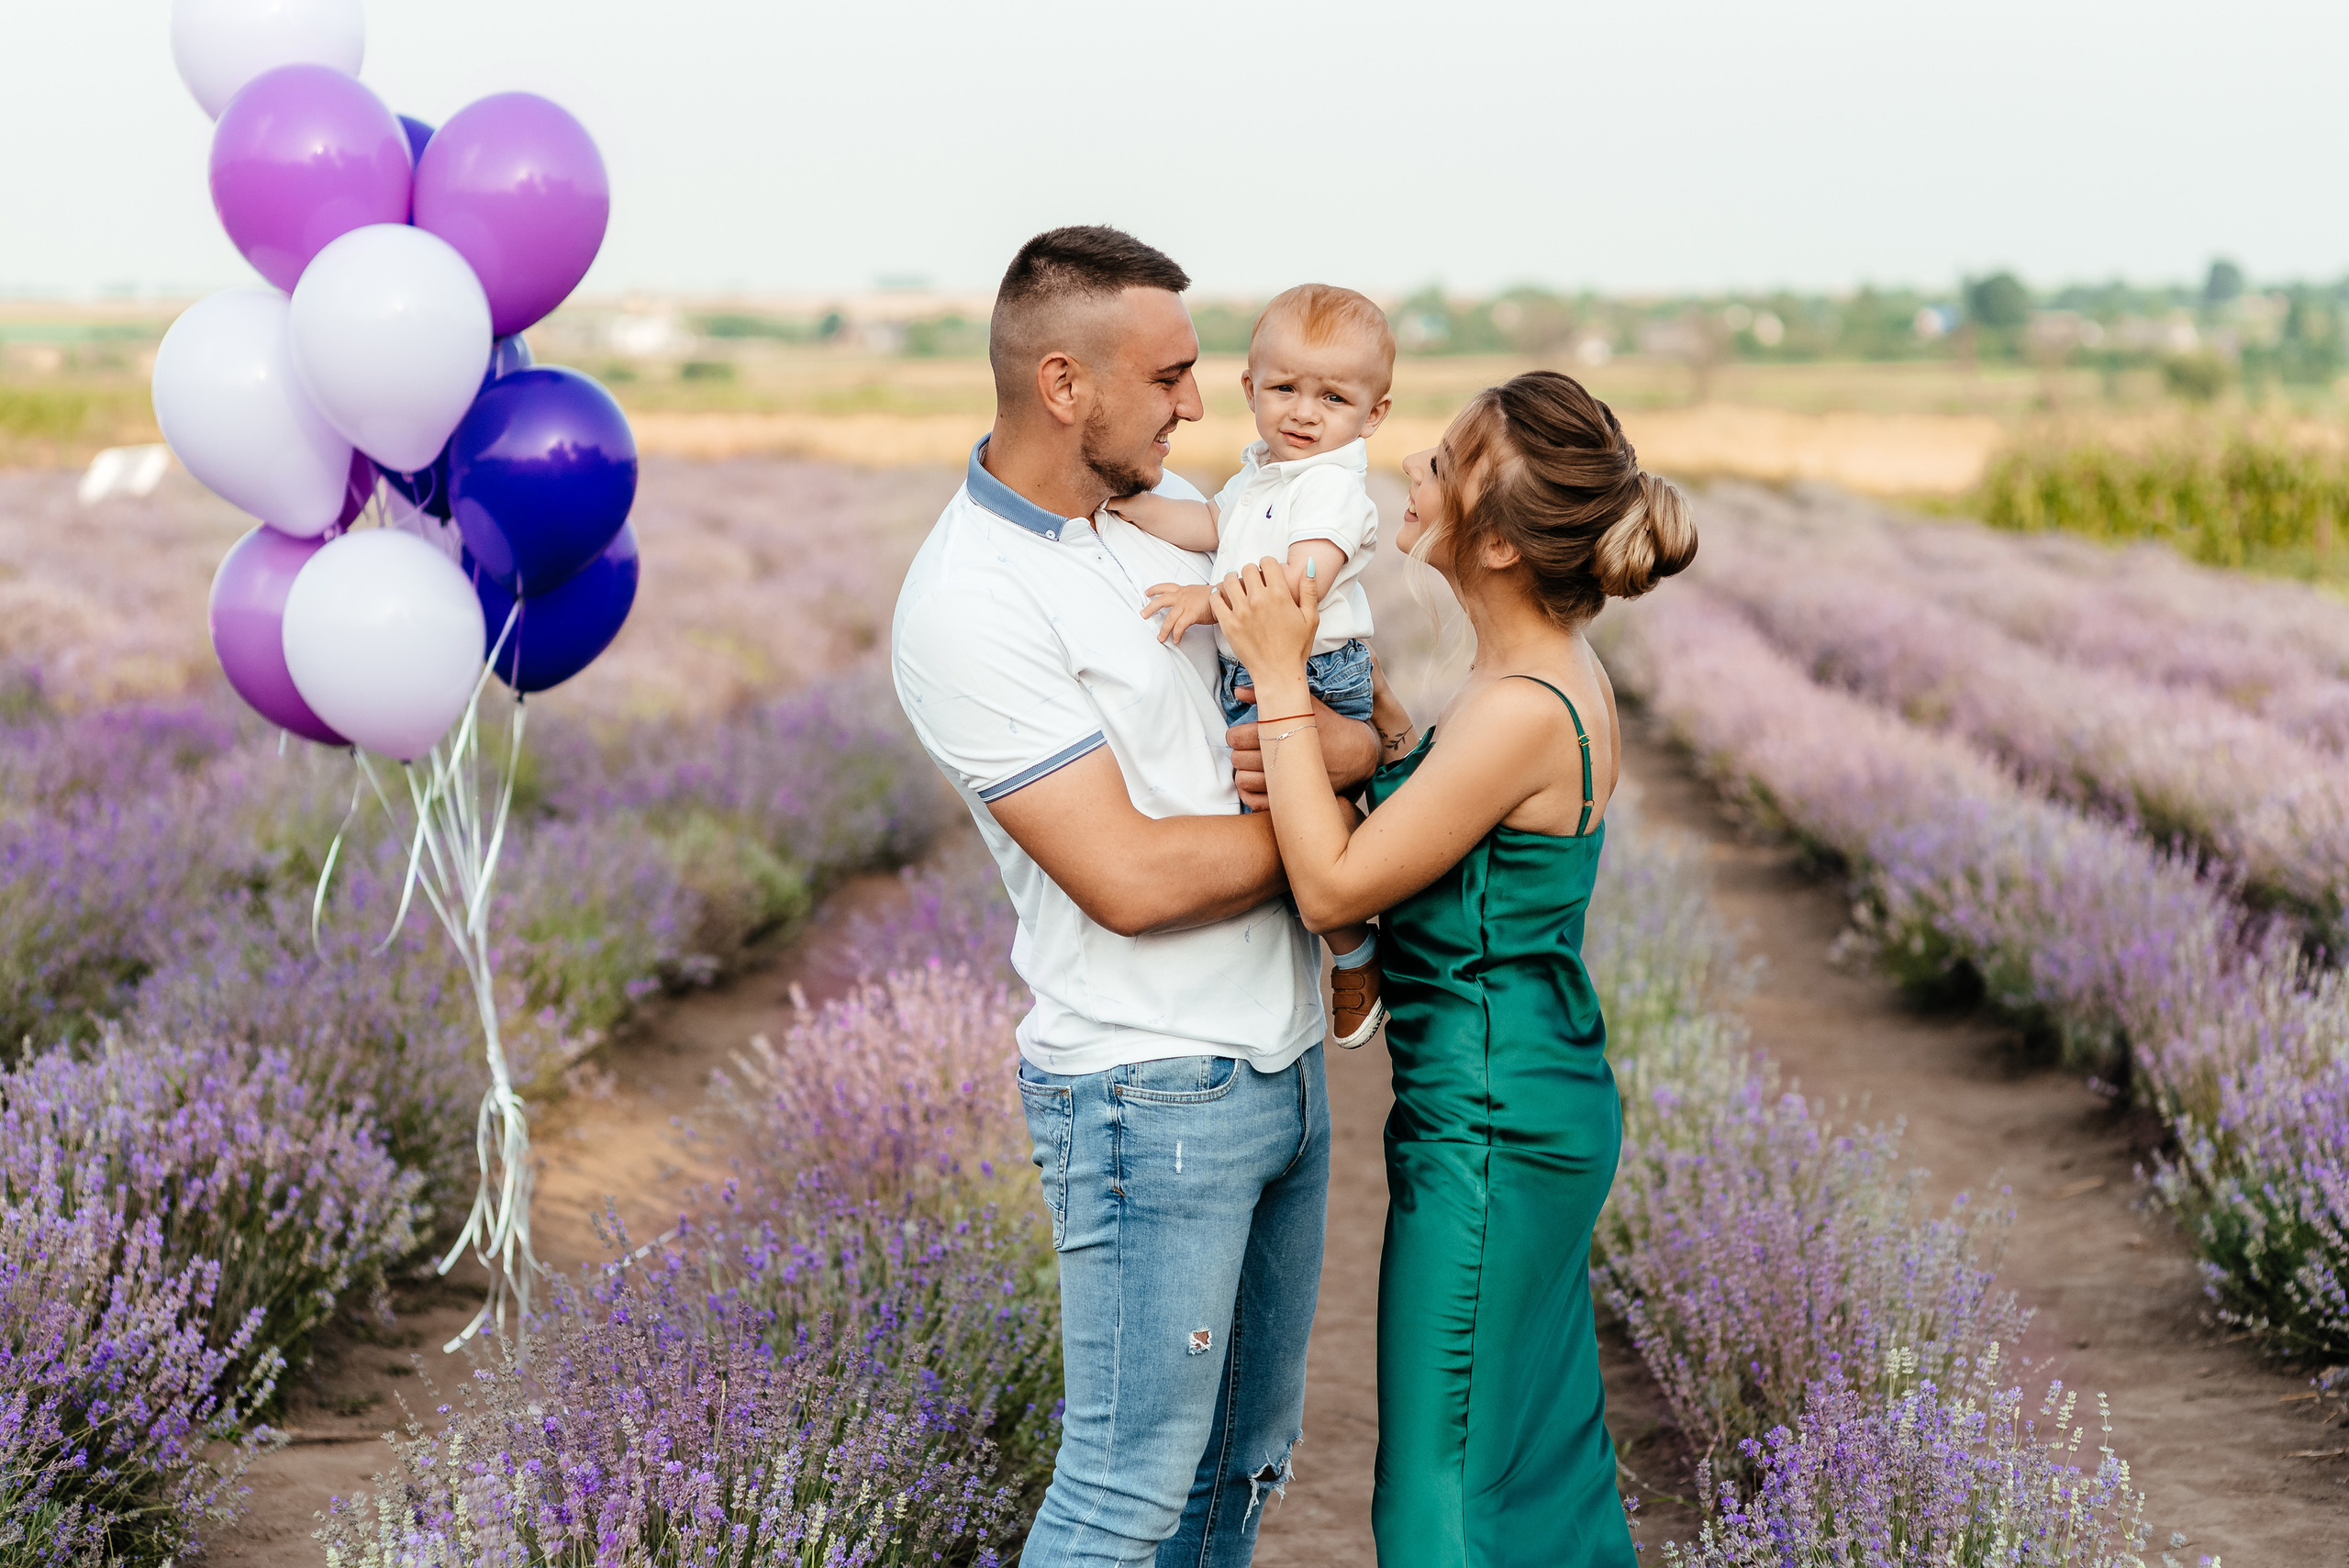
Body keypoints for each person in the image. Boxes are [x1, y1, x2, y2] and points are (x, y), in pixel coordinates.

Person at [888, 226, 1382, 1567]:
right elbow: (1131, 877)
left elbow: (1330, 716)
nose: (1201, 404)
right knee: (1123, 1491)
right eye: (1169, 377)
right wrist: (1343, 825)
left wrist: (1347, 749)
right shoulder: (972, 600)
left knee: (1237, 1475)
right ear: (1065, 385)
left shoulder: (1134, 528)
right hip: (1150, 1097)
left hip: (1275, 1070)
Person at [1211, 370, 1698, 1567]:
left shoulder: (1520, 707)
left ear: (1494, 540)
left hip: (1490, 1125)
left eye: (1439, 466)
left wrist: (1279, 675)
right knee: (1528, 1460)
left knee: (1445, 1487)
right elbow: (1426, 823)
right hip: (1512, 1098)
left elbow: (1334, 886)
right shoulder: (1528, 683)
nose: (1409, 480)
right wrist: (1375, 734)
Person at [1107, 283, 1394, 1050]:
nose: (1304, 411)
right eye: (1284, 389)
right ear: (1250, 390)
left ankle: (1359, 950)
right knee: (1277, 825)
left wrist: (1208, 602)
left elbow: (1298, 591)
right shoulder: (1262, 477)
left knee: (1296, 832)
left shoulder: (1330, 487)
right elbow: (1210, 525)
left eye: (1332, 397)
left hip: (1309, 675)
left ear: (1374, 414)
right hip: (1261, 674)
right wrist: (1129, 507)